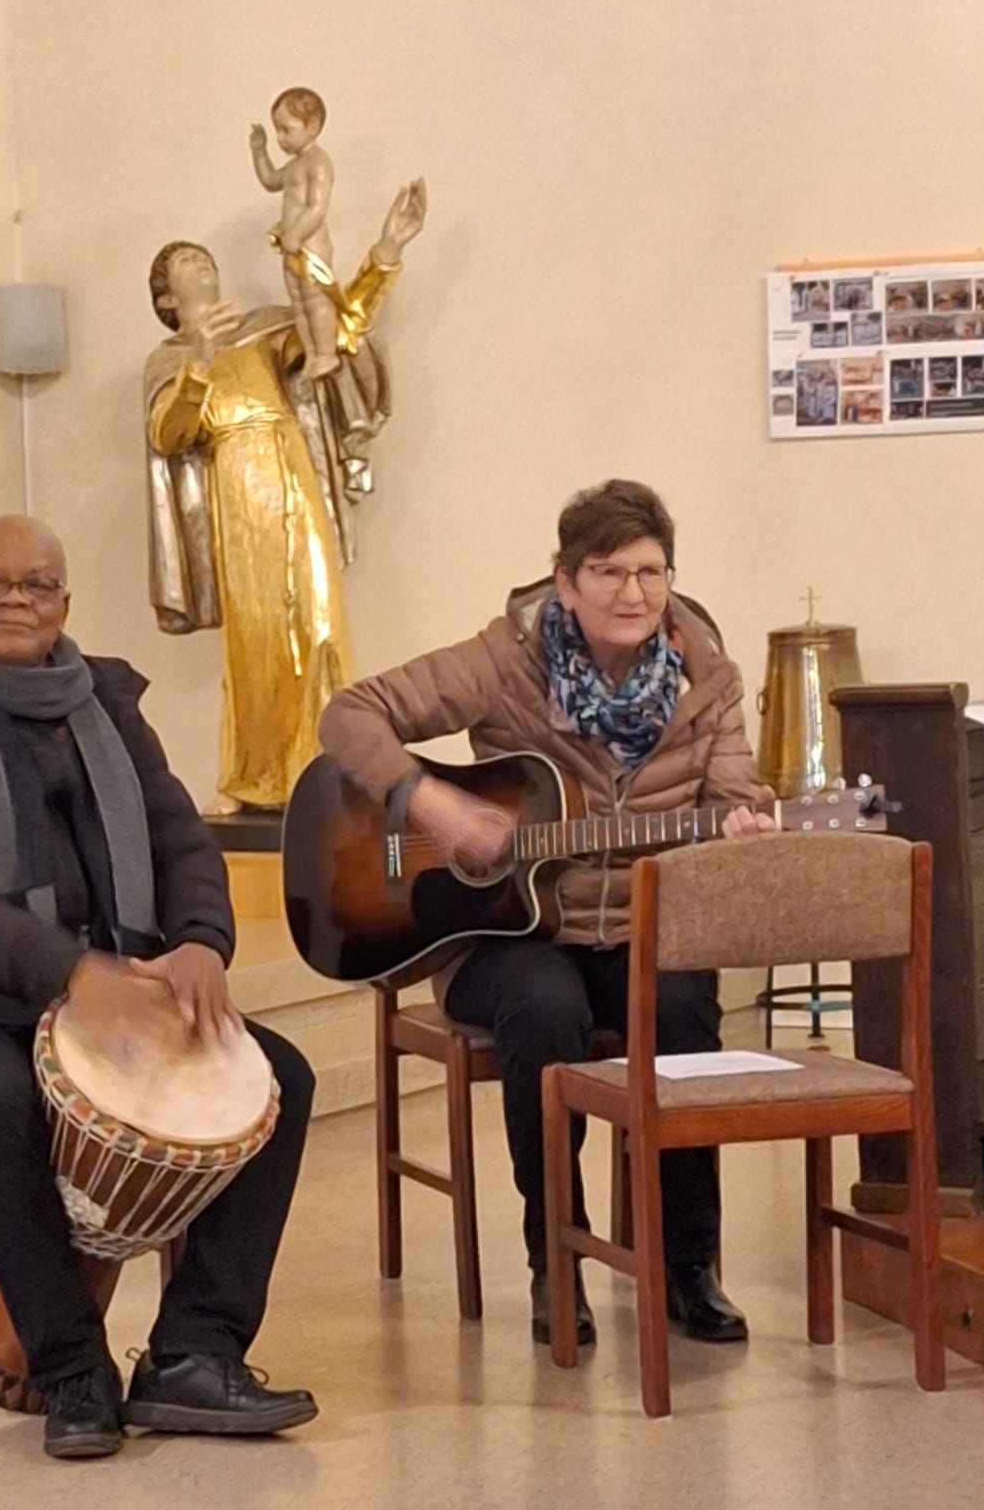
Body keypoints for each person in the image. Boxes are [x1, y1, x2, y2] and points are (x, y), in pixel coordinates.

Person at [0, 514, 319, 1460]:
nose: (13, 600)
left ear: (64, 602)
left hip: (114, 986)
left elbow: (180, 837)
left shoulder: (107, 702)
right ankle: (71, 1371)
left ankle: (195, 1352)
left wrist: (200, 942)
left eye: (36, 584)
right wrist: (65, 970)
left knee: (282, 1077)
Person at [318, 479, 776, 1349]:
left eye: (650, 572)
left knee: (684, 1006)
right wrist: (432, 804)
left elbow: (733, 796)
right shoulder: (506, 660)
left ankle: (687, 1264)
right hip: (504, 932)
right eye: (608, 572)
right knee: (543, 1006)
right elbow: (349, 716)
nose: (633, 593)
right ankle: (554, 1259)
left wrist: (744, 829)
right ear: (566, 583)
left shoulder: (707, 681)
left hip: (638, 930)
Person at [144, 175, 427, 811]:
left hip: (294, 479)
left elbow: (337, 329)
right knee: (255, 641)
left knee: (320, 626)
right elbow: (169, 433)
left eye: (203, 256)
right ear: (166, 297)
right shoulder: (168, 360)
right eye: (185, 261)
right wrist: (199, 362)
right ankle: (252, 779)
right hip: (236, 492)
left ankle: (330, 771)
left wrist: (386, 252)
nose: (201, 262)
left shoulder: (266, 331)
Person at [249, 86, 339, 380]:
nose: (280, 138)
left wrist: (297, 234)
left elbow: (317, 207)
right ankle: (312, 354)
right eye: (277, 131)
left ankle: (326, 352)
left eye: (286, 130)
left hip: (311, 245)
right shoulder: (292, 167)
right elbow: (269, 180)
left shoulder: (319, 162)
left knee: (315, 299)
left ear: (312, 127)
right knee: (299, 302)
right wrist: (259, 152)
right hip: (291, 248)